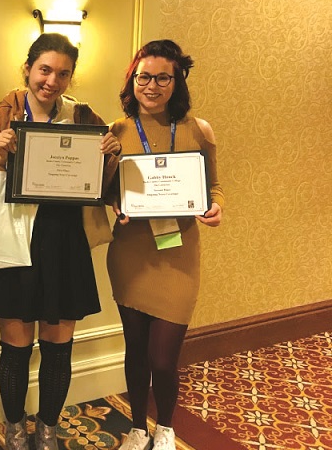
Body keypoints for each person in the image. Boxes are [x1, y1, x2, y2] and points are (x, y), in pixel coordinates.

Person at [0, 33, 122, 450]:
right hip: (14, 238)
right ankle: (16, 428)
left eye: (63, 73)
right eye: (45, 70)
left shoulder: (83, 116)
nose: (52, 81)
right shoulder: (5, 110)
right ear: (28, 68)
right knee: (15, 348)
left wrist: (111, 150)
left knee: (58, 348)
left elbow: (102, 180)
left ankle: (49, 428)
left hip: (63, 241)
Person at [106, 40, 223, 450]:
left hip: (179, 257)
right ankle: (138, 426)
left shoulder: (198, 129)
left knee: (162, 358)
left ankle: (167, 428)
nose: (151, 86)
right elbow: (105, 191)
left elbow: (214, 186)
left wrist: (216, 208)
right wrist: (116, 201)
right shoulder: (116, 133)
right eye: (143, 77)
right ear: (132, 80)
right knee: (136, 351)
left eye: (162, 77)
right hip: (131, 256)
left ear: (177, 81)